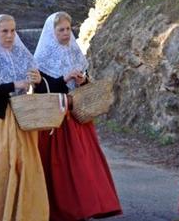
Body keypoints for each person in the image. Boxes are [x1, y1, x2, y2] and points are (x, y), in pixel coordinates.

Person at [33, 11, 122, 221]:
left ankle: (86, 206)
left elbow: (87, 81)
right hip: (57, 121)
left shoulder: (74, 51)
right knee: (61, 167)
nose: (65, 33)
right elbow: (40, 90)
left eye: (67, 29)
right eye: (61, 30)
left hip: (78, 118)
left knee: (84, 166)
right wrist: (64, 79)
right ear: (51, 32)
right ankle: (64, 210)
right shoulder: (42, 57)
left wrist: (82, 80)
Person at [0, 14, 49, 221]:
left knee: (24, 165)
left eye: (13, 30)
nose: (9, 35)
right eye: (4, 31)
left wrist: (38, 81)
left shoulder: (22, 55)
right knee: (2, 166)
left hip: (21, 118)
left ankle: (23, 214)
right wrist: (13, 85)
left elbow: (40, 89)